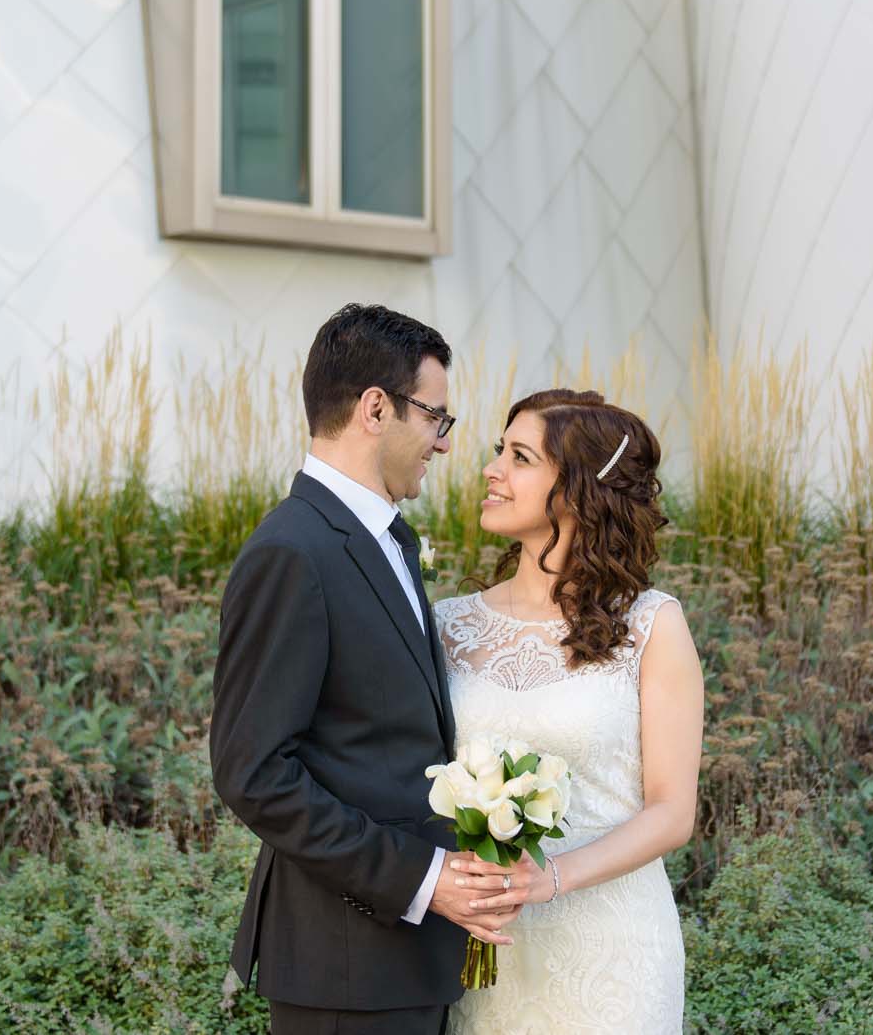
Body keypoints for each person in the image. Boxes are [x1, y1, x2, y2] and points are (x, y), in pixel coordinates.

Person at [210, 304, 512, 1035]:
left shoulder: (388, 541)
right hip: (343, 968)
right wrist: (422, 876)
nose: (443, 444)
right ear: (376, 408)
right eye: (437, 418)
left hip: (405, 964)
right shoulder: (293, 551)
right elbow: (253, 774)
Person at [434, 389, 705, 1032]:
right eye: (500, 451)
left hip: (611, 949)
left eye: (519, 457)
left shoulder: (653, 626)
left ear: (578, 491)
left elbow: (672, 812)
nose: (492, 470)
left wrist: (548, 878)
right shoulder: (446, 624)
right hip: (483, 945)